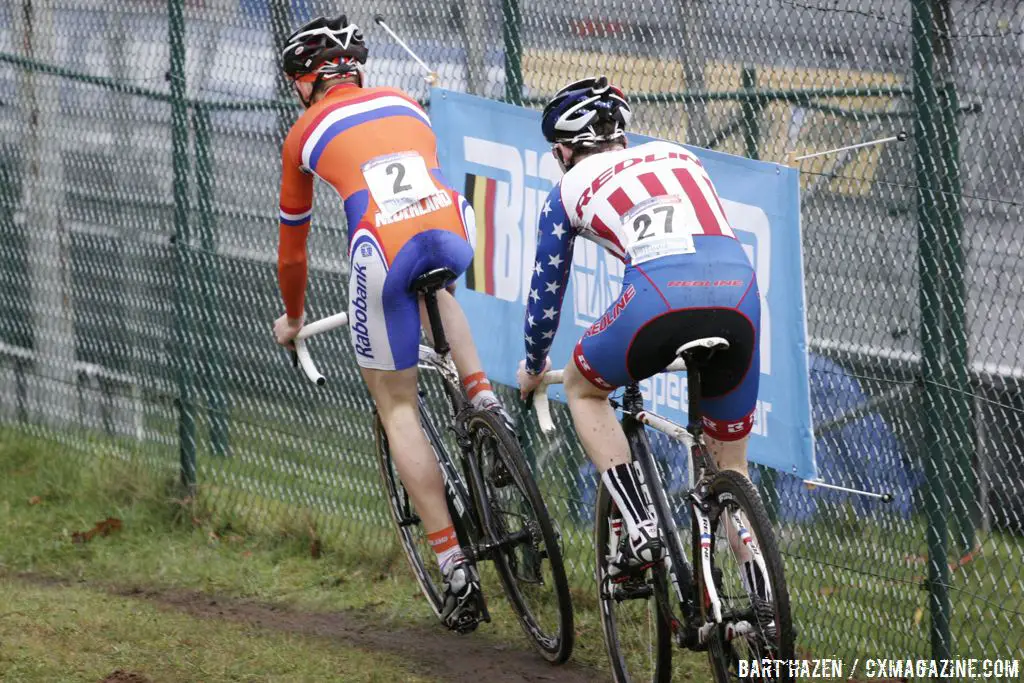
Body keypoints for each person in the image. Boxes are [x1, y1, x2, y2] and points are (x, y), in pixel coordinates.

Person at [270, 14, 505, 632]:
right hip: (451, 225)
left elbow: (291, 252)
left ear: (308, 79)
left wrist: (294, 320)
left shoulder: (303, 132)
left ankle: (454, 567)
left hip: (382, 246)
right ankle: (484, 399)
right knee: (440, 285)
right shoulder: (404, 100)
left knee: (398, 406)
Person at [516, 77, 766, 599]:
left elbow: (546, 295)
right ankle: (763, 600)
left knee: (584, 389)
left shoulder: (565, 188)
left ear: (563, 150)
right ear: (620, 134)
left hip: (659, 298)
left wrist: (535, 362)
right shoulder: (678, 156)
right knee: (732, 471)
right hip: (740, 297)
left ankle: (640, 523)